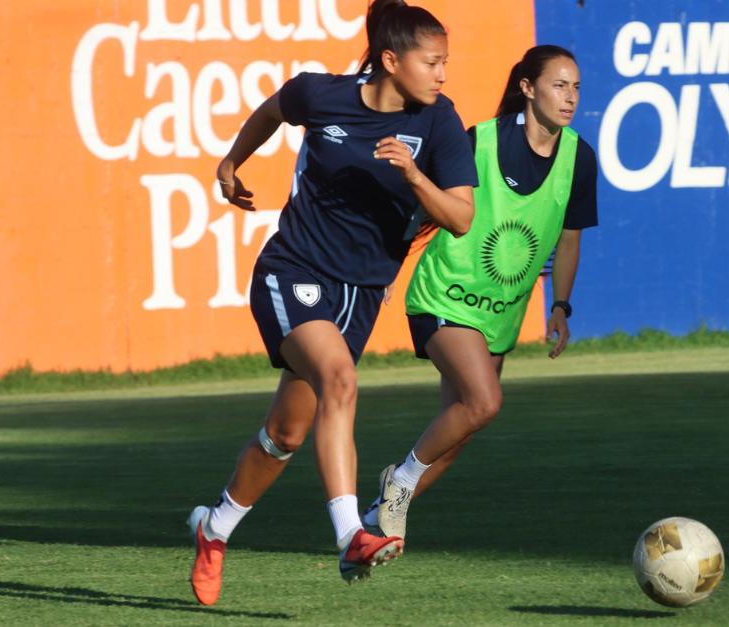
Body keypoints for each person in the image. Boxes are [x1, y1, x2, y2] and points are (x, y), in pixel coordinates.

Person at [186, 0, 478, 605]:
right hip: (292, 271)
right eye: (433, 62)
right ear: (392, 61)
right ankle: (352, 534)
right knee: (340, 379)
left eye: (446, 62)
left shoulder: (440, 123)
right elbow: (273, 109)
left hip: (363, 294)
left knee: (287, 433)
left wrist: (415, 178)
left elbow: (460, 217)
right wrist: (231, 162)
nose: (443, 74)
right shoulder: (323, 96)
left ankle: (214, 533)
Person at [362, 45, 598, 540]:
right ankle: (399, 481)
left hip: (499, 316)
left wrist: (560, 304)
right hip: (443, 294)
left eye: (576, 86)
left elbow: (570, 237)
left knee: (459, 428)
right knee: (485, 402)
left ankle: (373, 529)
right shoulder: (481, 141)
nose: (570, 96)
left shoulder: (579, 157)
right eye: (559, 84)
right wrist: (385, 269)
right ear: (528, 88)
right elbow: (423, 211)